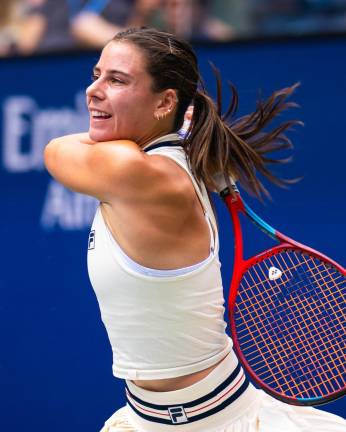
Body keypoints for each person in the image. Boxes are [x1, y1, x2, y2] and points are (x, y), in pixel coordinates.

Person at [44, 27, 346, 431]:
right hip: (144, 420)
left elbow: (56, 149)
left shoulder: (139, 173)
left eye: (116, 80)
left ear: (166, 101)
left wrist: (182, 130)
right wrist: (182, 128)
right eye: (96, 74)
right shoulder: (160, 164)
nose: (93, 90)